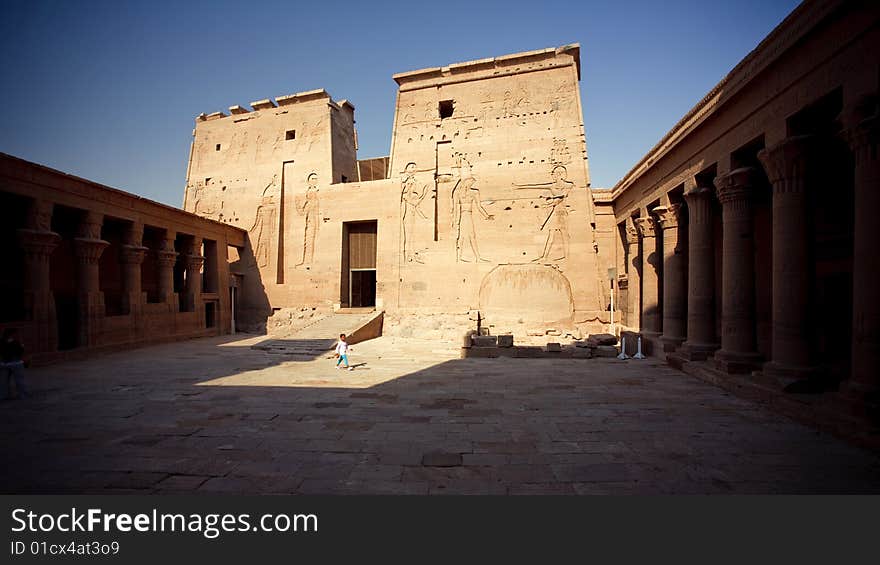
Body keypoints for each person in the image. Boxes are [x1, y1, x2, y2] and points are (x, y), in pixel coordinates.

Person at [1, 328, 29, 399]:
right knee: (19, 380)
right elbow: (20, 351)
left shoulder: (2, 341)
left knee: (3, 382)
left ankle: (4, 395)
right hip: (15, 363)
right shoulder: (15, 342)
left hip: (4, 363)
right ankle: (23, 395)